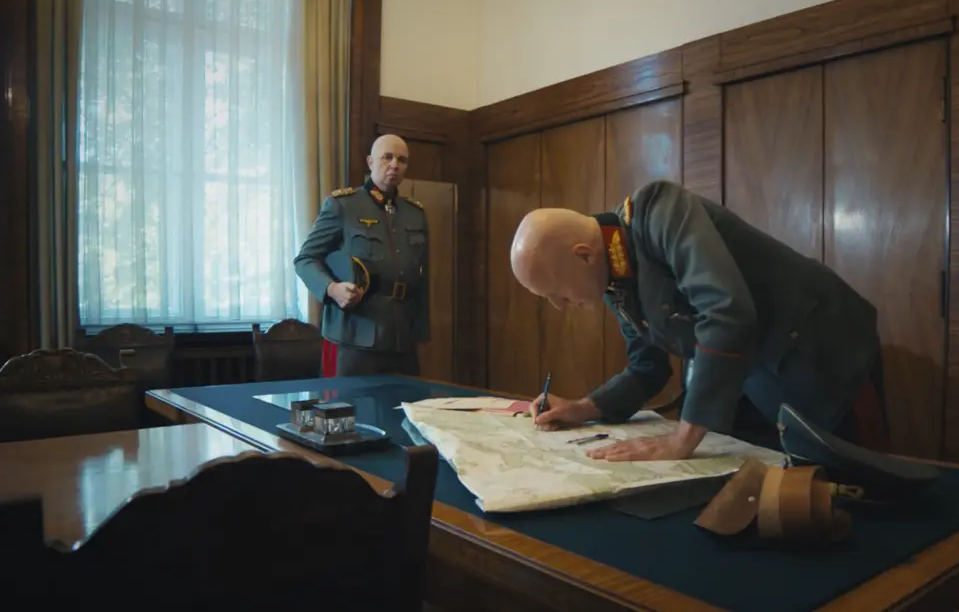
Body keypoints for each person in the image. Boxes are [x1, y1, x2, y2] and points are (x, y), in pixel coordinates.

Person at [509, 179, 888, 462]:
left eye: (555, 292)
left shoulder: (659, 210)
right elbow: (647, 368)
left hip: (826, 360)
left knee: (859, 490)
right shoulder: (614, 275)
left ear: (584, 255)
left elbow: (726, 311)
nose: (559, 305)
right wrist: (581, 408)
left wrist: (681, 440)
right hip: (752, 386)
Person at [294, 134, 429, 376]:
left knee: (405, 409)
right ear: (370, 162)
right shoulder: (343, 205)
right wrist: (332, 289)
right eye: (387, 157)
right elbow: (305, 259)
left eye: (402, 160)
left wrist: (420, 330)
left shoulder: (415, 213)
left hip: (402, 337)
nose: (395, 164)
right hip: (356, 333)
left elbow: (422, 276)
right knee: (355, 410)